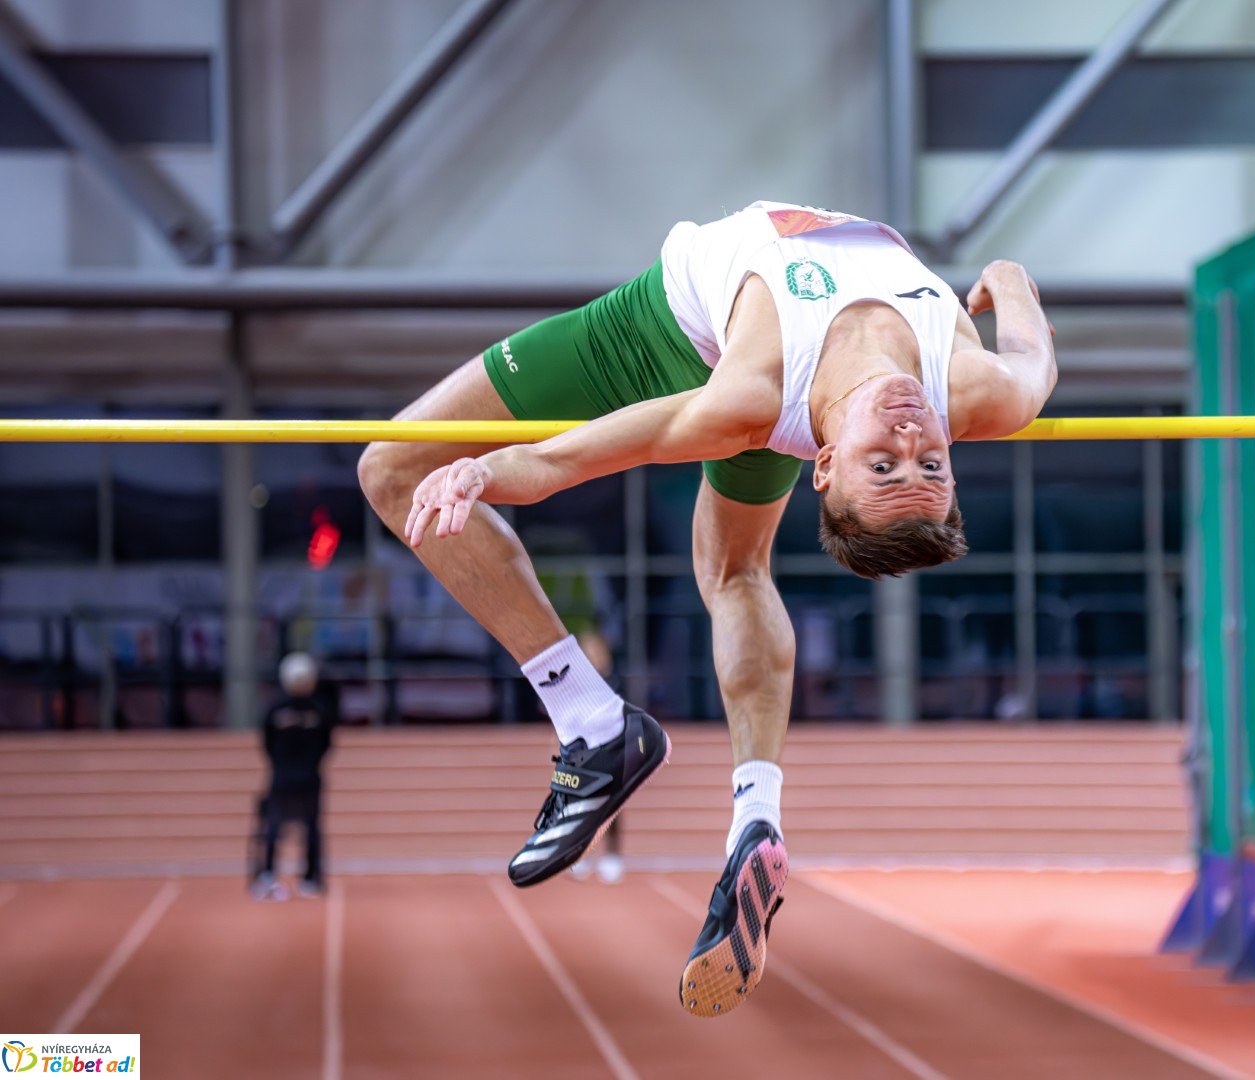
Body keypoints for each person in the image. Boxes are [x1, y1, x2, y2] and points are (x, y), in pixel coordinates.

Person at [357, 201, 1055, 1015]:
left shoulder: (750, 400)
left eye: (882, 466)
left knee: (390, 470)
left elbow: (571, 462)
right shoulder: (979, 391)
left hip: (664, 330)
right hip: (763, 357)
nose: (909, 439)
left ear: (825, 464)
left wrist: (487, 471)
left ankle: (589, 722)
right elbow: (1034, 359)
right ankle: (755, 812)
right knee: (734, 570)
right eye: (928, 464)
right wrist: (1011, 280)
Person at [249, 652, 339, 900]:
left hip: (283, 777)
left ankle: (269, 875)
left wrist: (282, 765)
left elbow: (266, 743)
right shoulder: (319, 709)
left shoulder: (276, 709)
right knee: (308, 828)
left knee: (276, 827)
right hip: (307, 777)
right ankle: (310, 879)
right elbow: (327, 744)